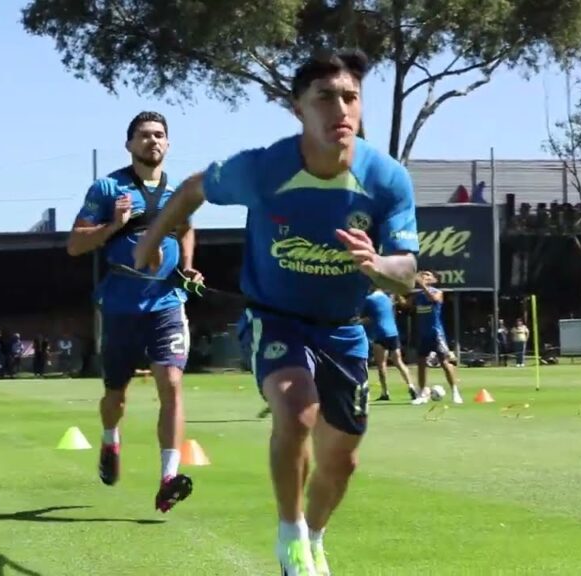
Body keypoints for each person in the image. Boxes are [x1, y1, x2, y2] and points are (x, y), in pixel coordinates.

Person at [134, 49, 419, 576]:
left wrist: (377, 264)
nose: (341, 109)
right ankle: (289, 539)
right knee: (297, 408)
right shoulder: (265, 168)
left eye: (350, 97)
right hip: (275, 317)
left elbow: (407, 270)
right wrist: (151, 241)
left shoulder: (387, 179)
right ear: (298, 109)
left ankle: (314, 535)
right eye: (326, 98)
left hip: (343, 329)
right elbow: (194, 187)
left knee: (343, 459)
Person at [66, 111, 201, 513]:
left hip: (167, 302)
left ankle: (168, 478)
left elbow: (187, 228)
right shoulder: (108, 187)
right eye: (144, 136)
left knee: (172, 383)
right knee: (115, 395)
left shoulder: (180, 190)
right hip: (122, 304)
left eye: (159, 135)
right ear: (129, 144)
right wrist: (114, 225)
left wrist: (188, 265)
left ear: (169, 144)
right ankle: (110, 439)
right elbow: (75, 244)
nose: (152, 142)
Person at [410, 271, 463, 405]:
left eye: (428, 275)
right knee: (421, 364)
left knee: (444, 363)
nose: (424, 276)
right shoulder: (418, 296)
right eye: (422, 275)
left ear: (434, 279)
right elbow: (406, 305)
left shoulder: (438, 292)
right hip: (423, 334)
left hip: (436, 333)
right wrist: (397, 293)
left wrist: (422, 286)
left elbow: (434, 300)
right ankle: (422, 394)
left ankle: (455, 392)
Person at [362, 288, 416, 401]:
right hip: (393, 332)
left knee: (381, 365)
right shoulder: (388, 298)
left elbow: (366, 318)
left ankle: (385, 391)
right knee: (399, 362)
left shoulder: (369, 299)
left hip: (380, 334)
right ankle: (411, 385)